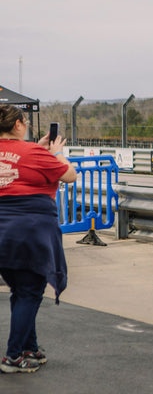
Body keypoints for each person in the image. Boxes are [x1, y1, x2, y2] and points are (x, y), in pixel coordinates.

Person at [0, 105, 77, 374]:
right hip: (29, 231)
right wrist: (57, 154)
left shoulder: (30, 150)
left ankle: (28, 347)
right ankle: (13, 357)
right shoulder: (32, 152)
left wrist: (38, 149)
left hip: (2, 233)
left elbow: (15, 165)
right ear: (20, 124)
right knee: (31, 291)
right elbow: (69, 175)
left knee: (21, 290)